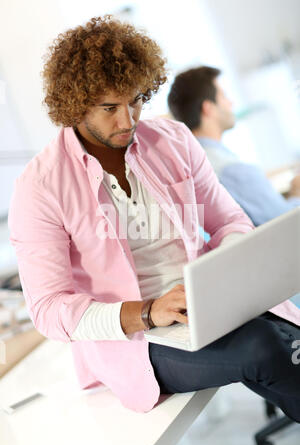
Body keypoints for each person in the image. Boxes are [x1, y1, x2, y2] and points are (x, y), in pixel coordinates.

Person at [8, 16, 300, 419]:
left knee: (281, 340)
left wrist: (223, 282)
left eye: (136, 101)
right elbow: (49, 308)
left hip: (210, 308)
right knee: (265, 348)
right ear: (75, 102)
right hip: (136, 340)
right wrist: (147, 311)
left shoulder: (174, 141)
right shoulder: (39, 187)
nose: (127, 121)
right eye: (110, 107)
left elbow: (230, 221)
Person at [167, 66, 300, 226]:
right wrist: (296, 193)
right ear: (208, 108)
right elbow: (285, 222)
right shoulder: (231, 170)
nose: (231, 102)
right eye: (224, 96)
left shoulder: (185, 165)